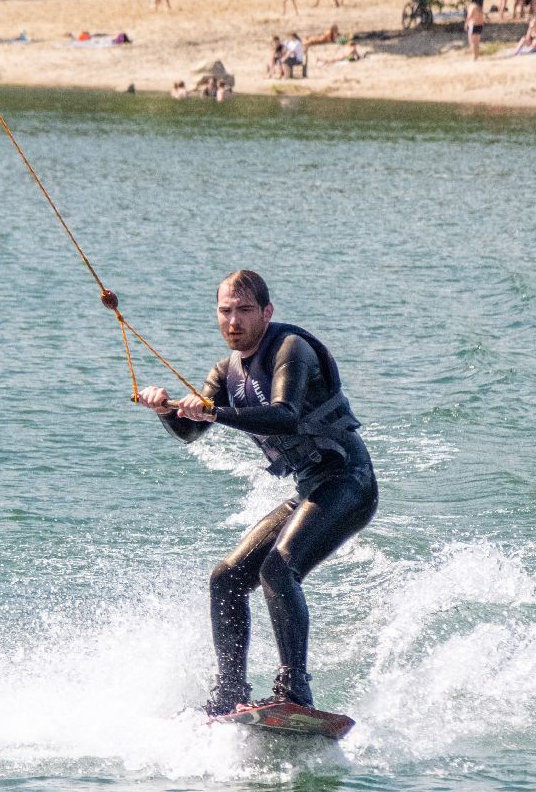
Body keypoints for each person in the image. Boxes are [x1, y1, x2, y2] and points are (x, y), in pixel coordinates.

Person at [135, 271, 377, 714]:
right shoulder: (225, 372)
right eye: (225, 311)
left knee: (279, 570)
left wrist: (214, 411)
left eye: (245, 310)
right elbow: (191, 431)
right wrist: (166, 410)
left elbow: (285, 415)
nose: (234, 321)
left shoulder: (291, 349)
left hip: (348, 481)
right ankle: (230, 693)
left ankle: (294, 690)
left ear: (267, 312)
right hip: (310, 488)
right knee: (226, 578)